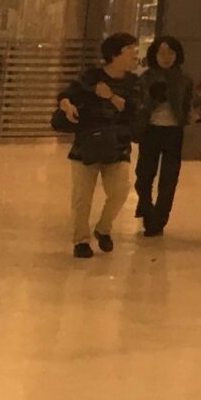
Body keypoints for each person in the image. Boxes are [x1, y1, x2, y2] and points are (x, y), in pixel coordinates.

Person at [53, 32, 141, 258]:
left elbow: (134, 110)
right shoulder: (91, 76)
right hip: (87, 144)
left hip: (118, 145)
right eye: (130, 49)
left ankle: (103, 228)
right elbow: (66, 94)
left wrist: (110, 96)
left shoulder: (134, 83)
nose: (135, 54)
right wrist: (66, 105)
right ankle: (81, 240)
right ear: (115, 54)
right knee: (82, 196)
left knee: (120, 191)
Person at [133, 34, 196, 236]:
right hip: (150, 131)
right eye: (162, 52)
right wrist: (153, 99)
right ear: (154, 54)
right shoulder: (145, 78)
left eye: (171, 52)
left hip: (174, 132)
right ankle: (145, 206)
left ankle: (159, 219)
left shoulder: (184, 79)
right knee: (144, 175)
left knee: (169, 178)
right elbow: (138, 106)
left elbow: (189, 105)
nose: (166, 57)